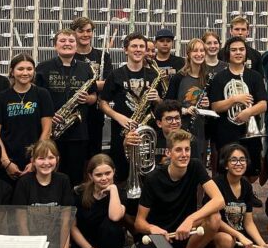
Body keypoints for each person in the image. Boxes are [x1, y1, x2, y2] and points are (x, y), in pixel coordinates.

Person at [129, 129, 224, 248]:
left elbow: (219, 200)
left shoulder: (195, 166)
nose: (184, 154)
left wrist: (190, 219)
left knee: (214, 218)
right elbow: (139, 222)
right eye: (178, 150)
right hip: (157, 239)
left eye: (187, 149)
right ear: (168, 152)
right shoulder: (153, 178)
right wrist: (152, 229)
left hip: (184, 235)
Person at [12, 139, 76, 248]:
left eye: (51, 157)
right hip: (32, 246)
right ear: (33, 161)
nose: (46, 162)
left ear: (57, 160)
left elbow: (65, 224)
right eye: (41, 158)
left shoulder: (63, 181)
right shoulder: (24, 183)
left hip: (55, 246)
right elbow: (22, 225)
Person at [99, 33, 162, 184]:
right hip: (122, 133)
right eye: (134, 46)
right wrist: (117, 117)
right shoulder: (116, 75)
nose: (138, 49)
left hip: (147, 135)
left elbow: (162, 108)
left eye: (142, 47)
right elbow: (102, 103)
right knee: (121, 175)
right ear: (125, 50)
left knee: (148, 176)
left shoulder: (154, 75)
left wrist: (158, 99)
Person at [37, 30, 96, 185]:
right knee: (51, 174)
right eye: (63, 41)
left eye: (71, 41)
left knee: (75, 176)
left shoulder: (86, 68)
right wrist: (49, 116)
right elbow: (36, 98)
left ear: (76, 46)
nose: (67, 44)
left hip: (78, 132)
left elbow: (94, 96)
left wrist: (88, 98)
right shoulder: (43, 68)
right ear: (55, 45)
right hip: (52, 131)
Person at [208, 142, 268, 248]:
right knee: (227, 242)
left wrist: (262, 244)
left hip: (240, 237)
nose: (238, 163)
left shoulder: (246, 185)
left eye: (242, 159)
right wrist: (238, 235)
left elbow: (248, 222)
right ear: (226, 164)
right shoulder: (216, 183)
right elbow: (213, 219)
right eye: (233, 160)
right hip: (221, 234)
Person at [207, 36, 268, 177]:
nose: (238, 53)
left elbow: (263, 104)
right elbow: (215, 106)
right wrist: (235, 99)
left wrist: (249, 112)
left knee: (251, 174)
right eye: (234, 50)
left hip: (250, 132)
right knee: (227, 171)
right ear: (228, 53)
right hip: (226, 133)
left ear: (246, 53)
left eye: (241, 49)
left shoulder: (255, 76)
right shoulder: (219, 78)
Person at [0, 53, 52, 178]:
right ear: (12, 71)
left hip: (36, 159)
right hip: (8, 158)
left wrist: (35, 159)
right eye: (20, 69)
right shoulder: (2, 97)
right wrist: (6, 162)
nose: (25, 73)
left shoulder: (42, 94)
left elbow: (47, 130)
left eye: (29, 69)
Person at [71, 154, 127, 248]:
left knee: (111, 224)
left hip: (109, 239)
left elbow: (115, 217)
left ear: (114, 171)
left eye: (108, 173)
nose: (104, 178)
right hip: (85, 242)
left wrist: (113, 190)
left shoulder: (120, 192)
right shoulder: (79, 193)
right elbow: (72, 227)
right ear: (90, 176)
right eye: (98, 175)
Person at [70, 16, 114, 161]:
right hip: (73, 111)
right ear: (73, 33)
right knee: (75, 154)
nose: (85, 34)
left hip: (95, 112)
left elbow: (108, 83)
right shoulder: (69, 56)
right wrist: (96, 83)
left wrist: (87, 86)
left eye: (89, 31)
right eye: (81, 31)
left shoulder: (102, 56)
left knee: (94, 152)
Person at [165, 38, 212, 163]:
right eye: (195, 51)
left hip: (200, 129)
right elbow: (167, 105)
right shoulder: (179, 77)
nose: (199, 54)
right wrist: (185, 110)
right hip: (181, 127)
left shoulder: (208, 78)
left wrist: (208, 104)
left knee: (197, 163)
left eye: (202, 51)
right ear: (188, 54)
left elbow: (213, 106)